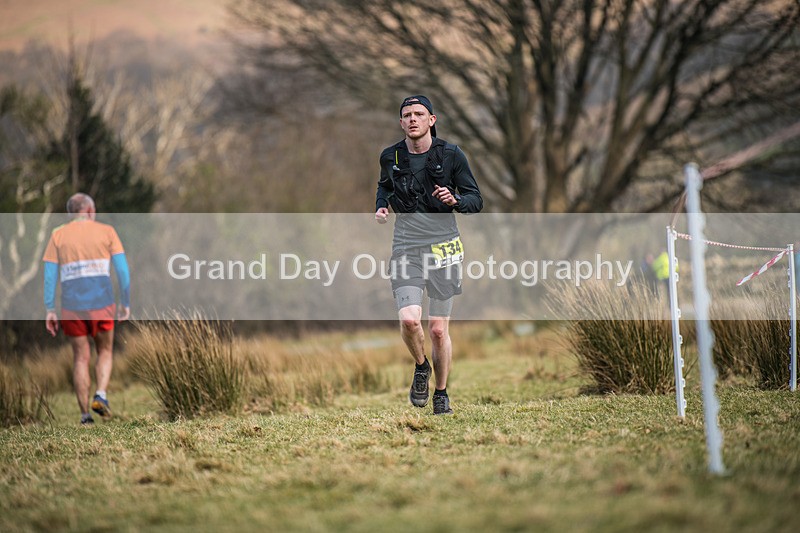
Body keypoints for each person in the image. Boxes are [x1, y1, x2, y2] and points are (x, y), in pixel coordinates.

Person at [375, 95, 482, 415]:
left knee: (437, 329)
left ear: (431, 120)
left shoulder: (451, 155)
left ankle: (441, 394)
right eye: (406, 115)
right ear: (401, 122)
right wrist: (380, 205)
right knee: (409, 321)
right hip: (406, 246)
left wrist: (455, 200)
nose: (412, 119)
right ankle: (421, 367)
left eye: (419, 114)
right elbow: (384, 186)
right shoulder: (390, 155)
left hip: (444, 246)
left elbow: (476, 200)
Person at [43, 193, 131, 425]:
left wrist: (50, 308)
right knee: (105, 351)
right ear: (91, 211)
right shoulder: (107, 232)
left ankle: (84, 416)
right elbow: (122, 271)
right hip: (102, 302)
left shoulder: (58, 235)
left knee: (80, 358)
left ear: (70, 214)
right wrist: (126, 302)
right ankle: (101, 394)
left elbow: (50, 275)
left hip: (72, 305)